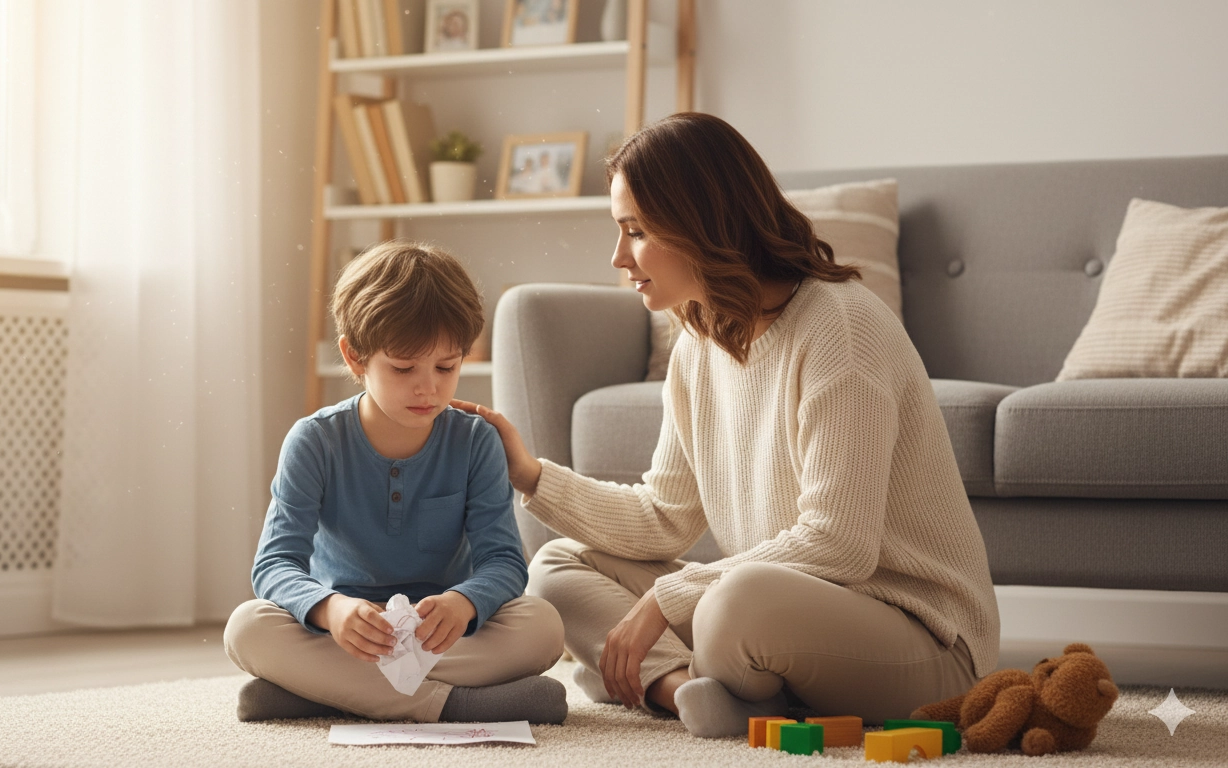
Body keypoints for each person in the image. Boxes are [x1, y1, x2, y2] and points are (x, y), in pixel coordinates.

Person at [453, 113, 1000, 737]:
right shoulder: (698, 342)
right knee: (558, 566)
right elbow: (666, 516)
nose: (618, 257)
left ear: (700, 224)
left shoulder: (841, 329)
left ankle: (656, 676)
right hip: (784, 617)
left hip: (925, 639)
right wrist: (530, 474)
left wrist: (664, 601)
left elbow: (839, 543)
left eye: (636, 231)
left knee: (731, 606)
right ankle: (681, 687)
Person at [224, 241, 567, 725]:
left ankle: (322, 693)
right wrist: (331, 610)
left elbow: (505, 562)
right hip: (347, 633)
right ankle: (455, 705)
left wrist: (463, 602)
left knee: (543, 627)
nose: (428, 387)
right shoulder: (314, 441)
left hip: (441, 633)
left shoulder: (476, 441)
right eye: (404, 368)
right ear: (355, 356)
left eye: (446, 367)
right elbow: (275, 564)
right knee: (247, 628)